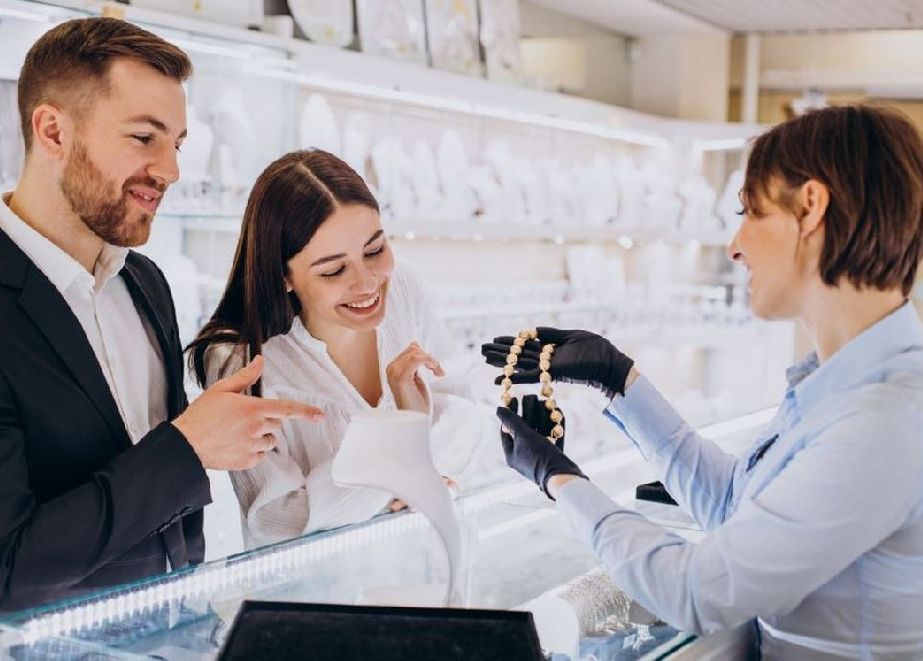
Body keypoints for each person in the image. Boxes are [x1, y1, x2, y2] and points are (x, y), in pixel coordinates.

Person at [482, 105, 923, 659]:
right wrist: (619, 380)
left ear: (810, 208)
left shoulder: (882, 421)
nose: (735, 246)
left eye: (750, 212)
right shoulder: (844, 389)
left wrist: (561, 481)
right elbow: (738, 510)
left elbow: (699, 592)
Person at [0, 18, 322, 612]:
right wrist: (188, 446)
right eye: (144, 138)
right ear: (52, 131)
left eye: (176, 144)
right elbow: (8, 568)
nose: (171, 170)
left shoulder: (146, 283)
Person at [188, 149, 483, 548]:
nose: (366, 283)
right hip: (321, 597)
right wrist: (403, 448)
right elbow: (279, 518)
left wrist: (404, 475)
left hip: (420, 572)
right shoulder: (241, 361)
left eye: (375, 250)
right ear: (284, 276)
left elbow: (464, 410)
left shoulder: (404, 290)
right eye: (333, 270)